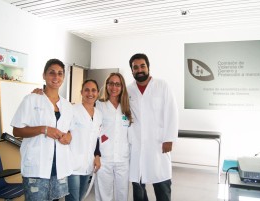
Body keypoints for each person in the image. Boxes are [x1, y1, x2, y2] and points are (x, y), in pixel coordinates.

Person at [11, 59, 73, 201]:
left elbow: (71, 129)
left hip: (59, 168)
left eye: (60, 73)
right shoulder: (31, 99)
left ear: (63, 78)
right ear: (44, 75)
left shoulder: (67, 105)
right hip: (37, 167)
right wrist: (43, 129)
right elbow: (17, 131)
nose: (56, 77)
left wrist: (69, 136)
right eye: (51, 73)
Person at [127, 53, 178, 201]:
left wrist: (169, 139)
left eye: (142, 66)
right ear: (132, 71)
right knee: (138, 188)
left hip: (158, 145)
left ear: (148, 67)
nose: (139, 69)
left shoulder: (162, 85)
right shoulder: (129, 90)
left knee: (162, 185)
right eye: (135, 67)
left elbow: (172, 112)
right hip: (136, 146)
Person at [94, 72, 133, 201]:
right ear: (106, 85)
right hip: (104, 158)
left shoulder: (127, 107)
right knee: (104, 194)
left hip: (123, 158)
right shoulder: (99, 105)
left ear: (122, 87)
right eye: (111, 83)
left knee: (122, 193)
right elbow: (95, 131)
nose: (114, 87)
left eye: (117, 84)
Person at [65, 79, 103, 201]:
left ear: (97, 93)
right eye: (86, 90)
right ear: (81, 92)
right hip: (72, 164)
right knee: (73, 198)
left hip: (88, 164)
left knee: (81, 198)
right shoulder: (72, 110)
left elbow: (97, 138)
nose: (90, 93)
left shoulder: (99, 114)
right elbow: (64, 131)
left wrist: (97, 156)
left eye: (93, 90)